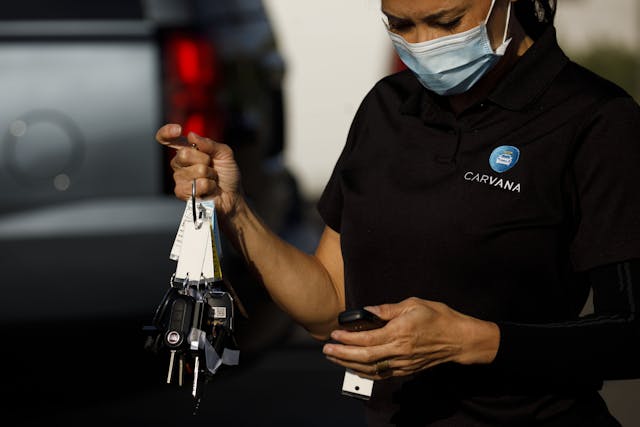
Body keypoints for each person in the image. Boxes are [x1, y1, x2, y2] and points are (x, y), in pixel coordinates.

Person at [156, 0, 640, 425]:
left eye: (447, 22)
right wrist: (234, 208)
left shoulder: (595, 119)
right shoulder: (386, 110)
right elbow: (328, 308)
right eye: (400, 25)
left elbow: (630, 331)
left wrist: (470, 341)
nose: (425, 45)